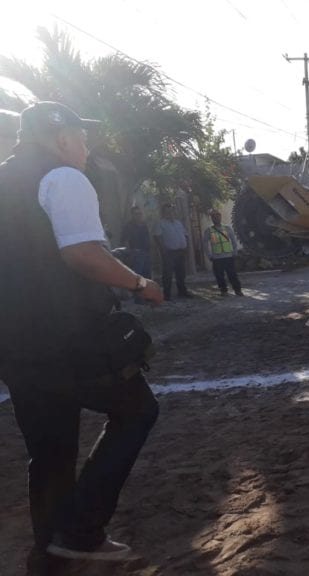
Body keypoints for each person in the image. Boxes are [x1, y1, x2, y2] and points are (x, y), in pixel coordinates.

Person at [0, 101, 162, 567]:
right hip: (68, 336)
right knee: (138, 411)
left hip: (14, 343)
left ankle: (50, 559)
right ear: (61, 138)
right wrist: (140, 283)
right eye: (83, 137)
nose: (88, 147)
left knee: (49, 454)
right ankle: (82, 529)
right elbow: (83, 255)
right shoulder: (63, 177)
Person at [154, 202, 190, 299]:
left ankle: (182, 292)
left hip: (181, 251)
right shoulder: (161, 223)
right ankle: (167, 294)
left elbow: (185, 235)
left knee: (181, 273)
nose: (170, 213)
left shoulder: (178, 223)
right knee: (168, 274)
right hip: (169, 253)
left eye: (171, 211)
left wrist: (186, 246)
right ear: (164, 212)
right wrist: (163, 249)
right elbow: (157, 237)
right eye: (168, 211)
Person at [204, 209, 243, 296]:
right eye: (214, 217)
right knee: (219, 276)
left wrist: (235, 252)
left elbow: (233, 241)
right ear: (212, 218)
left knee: (232, 274)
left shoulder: (227, 228)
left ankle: (237, 290)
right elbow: (205, 244)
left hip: (228, 256)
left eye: (218, 216)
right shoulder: (209, 230)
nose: (216, 218)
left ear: (220, 217)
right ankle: (223, 290)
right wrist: (209, 255)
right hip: (217, 258)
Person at [121, 205, 153, 303]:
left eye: (140, 213)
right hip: (136, 253)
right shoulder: (128, 226)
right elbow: (125, 241)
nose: (138, 216)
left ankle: (147, 296)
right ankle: (139, 299)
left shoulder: (144, 225)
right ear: (132, 215)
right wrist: (130, 253)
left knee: (147, 276)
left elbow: (148, 238)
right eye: (136, 214)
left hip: (146, 253)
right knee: (138, 278)